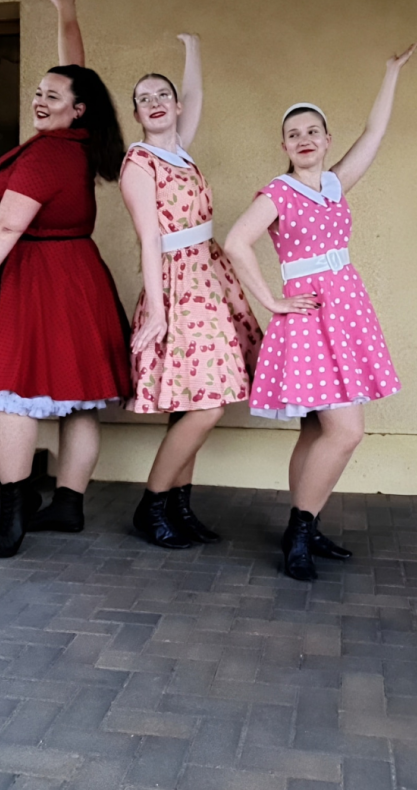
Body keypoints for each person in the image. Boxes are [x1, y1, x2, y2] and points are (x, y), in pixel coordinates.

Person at [0, 0, 130, 558]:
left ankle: (14, 510)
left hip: (35, 275)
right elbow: (77, 74)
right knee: (78, 395)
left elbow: (7, 225)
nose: (39, 99)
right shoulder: (80, 141)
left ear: (77, 110)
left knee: (1, 388)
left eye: (52, 96)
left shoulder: (48, 155)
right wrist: (65, 11)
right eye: (39, 92)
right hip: (79, 276)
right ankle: (68, 504)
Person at [224, 43, 417, 579]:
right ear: (284, 146)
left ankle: (306, 527)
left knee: (315, 431)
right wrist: (271, 300)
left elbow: (374, 133)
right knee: (345, 431)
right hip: (311, 318)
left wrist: (390, 73)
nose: (304, 139)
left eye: (313, 131)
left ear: (328, 140)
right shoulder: (279, 192)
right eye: (294, 134)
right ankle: (299, 530)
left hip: (346, 310)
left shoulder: (334, 184)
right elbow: (237, 242)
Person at [120, 35, 262, 548]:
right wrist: (158, 312)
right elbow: (149, 239)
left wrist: (194, 48)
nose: (155, 103)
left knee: (192, 402)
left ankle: (179, 508)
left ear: (176, 107)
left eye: (163, 95)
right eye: (144, 98)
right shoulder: (140, 162)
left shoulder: (179, 151)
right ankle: (152, 506)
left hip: (208, 274)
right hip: (177, 284)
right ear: (137, 114)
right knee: (207, 403)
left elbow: (196, 96)